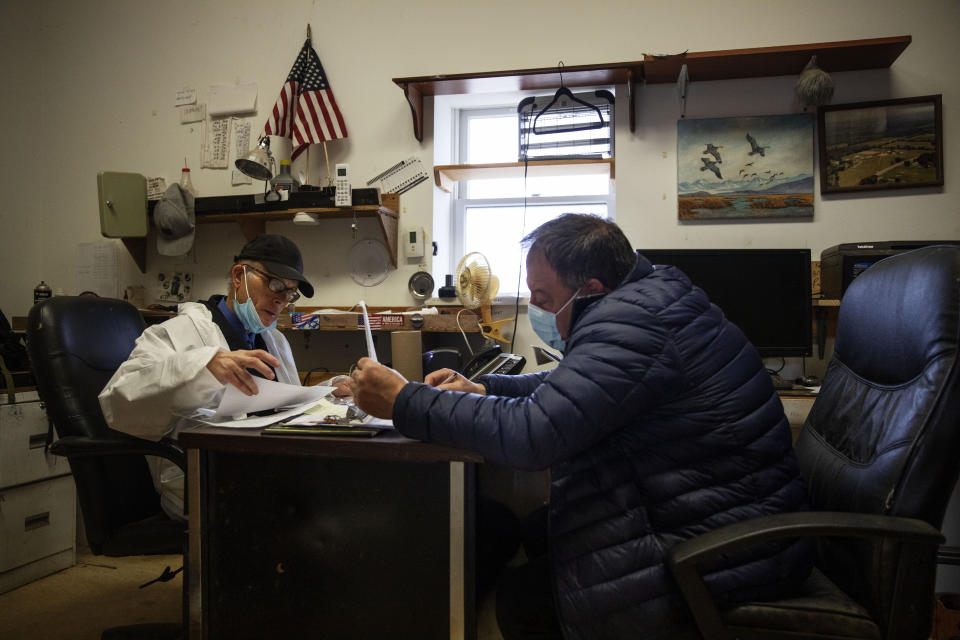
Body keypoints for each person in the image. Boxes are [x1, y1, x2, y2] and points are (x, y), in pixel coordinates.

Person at [347, 214, 812, 640]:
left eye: (544, 299)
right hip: (724, 523)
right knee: (534, 529)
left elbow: (534, 436)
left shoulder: (633, 322)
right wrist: (486, 390)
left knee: (519, 599)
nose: (537, 309)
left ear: (590, 288)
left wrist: (404, 400)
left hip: (727, 554)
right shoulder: (650, 298)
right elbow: (573, 384)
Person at [99, 233, 313, 519]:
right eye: (275, 284)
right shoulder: (180, 332)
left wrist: (332, 393)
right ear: (239, 276)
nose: (280, 300)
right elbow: (119, 403)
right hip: (203, 480)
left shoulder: (274, 340)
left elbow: (288, 409)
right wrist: (202, 367)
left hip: (264, 470)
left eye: (289, 293)